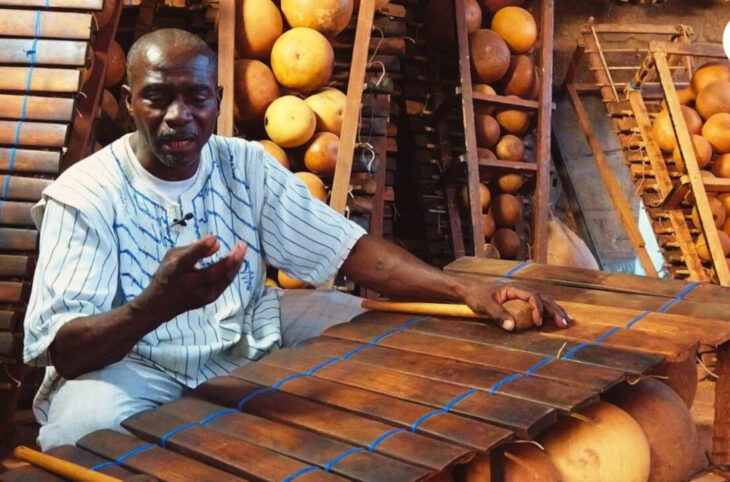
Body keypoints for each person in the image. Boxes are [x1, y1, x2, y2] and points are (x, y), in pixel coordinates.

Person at [23, 28, 569, 450]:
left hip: (247, 336)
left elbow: (351, 250)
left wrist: (461, 291)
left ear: (217, 98)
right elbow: (66, 353)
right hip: (136, 365)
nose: (177, 116)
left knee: (364, 322)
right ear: (129, 99)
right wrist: (152, 308)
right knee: (82, 428)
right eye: (157, 98)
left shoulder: (244, 164)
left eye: (195, 98)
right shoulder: (85, 194)